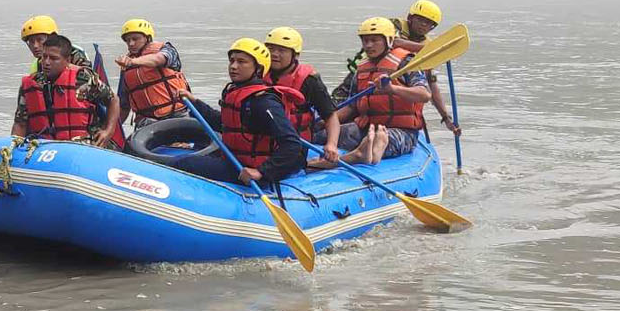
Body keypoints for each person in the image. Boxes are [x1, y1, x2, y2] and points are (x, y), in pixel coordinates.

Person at [168, 38, 307, 186]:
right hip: (235, 161)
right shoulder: (236, 92)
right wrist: (194, 102)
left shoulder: (264, 102)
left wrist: (261, 172)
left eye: (241, 62)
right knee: (191, 157)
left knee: (183, 163)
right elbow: (223, 124)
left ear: (258, 69)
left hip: (251, 171)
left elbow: (292, 144)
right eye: (232, 61)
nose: (233, 66)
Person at [320, 18, 431, 167]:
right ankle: (360, 152)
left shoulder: (406, 62)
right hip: (367, 128)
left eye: (374, 40)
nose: (368, 45)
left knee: (379, 139)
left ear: (389, 40)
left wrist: (393, 89)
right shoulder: (362, 68)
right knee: (321, 135)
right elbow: (352, 106)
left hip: (401, 131)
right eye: (365, 41)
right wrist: (326, 122)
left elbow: (424, 94)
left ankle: (354, 156)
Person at [12, 34, 121, 147]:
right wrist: (12, 146)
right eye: (44, 57)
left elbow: (113, 99)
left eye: (53, 58)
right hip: (44, 146)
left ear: (67, 60)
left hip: (83, 145)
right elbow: (20, 123)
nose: (46, 62)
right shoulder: (31, 84)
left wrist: (108, 131)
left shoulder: (83, 79)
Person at [262, 26, 340, 164]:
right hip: (260, 144)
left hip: (292, 148)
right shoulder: (257, 74)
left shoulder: (309, 80)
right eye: (270, 49)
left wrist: (331, 144)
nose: (274, 54)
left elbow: (330, 115)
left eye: (281, 50)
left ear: (294, 55)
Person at [113, 18, 190, 127]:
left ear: (147, 38)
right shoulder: (126, 67)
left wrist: (132, 62)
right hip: (146, 122)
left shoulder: (167, 49)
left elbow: (158, 59)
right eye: (127, 40)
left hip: (177, 115)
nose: (131, 43)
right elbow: (124, 106)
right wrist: (112, 129)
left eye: (135, 39)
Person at [19, 15, 89, 72]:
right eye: (31, 42)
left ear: (52, 36)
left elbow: (88, 75)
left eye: (40, 40)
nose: (35, 46)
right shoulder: (37, 64)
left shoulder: (73, 53)